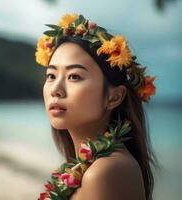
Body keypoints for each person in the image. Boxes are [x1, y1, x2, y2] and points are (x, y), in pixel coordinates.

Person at [35, 14, 159, 200]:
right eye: (51, 76)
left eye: (74, 76)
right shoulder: (83, 168)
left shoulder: (106, 171)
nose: (56, 90)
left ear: (114, 97)